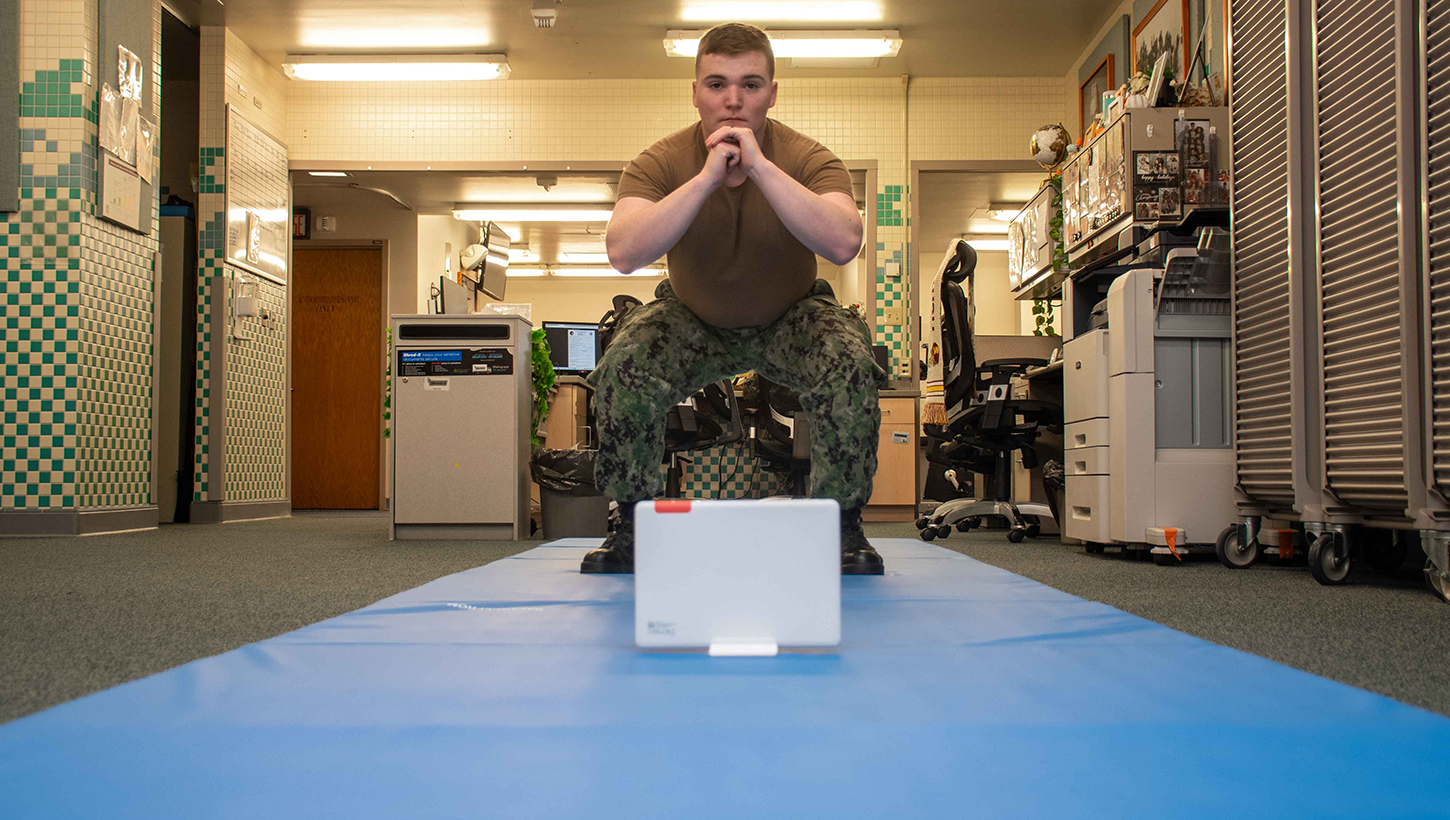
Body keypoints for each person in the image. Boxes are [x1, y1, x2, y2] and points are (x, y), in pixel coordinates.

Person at [581, 22, 886, 575]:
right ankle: (632, 521)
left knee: (850, 363)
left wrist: (761, 169)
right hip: (695, 318)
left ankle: (841, 524)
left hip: (790, 317)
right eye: (717, 83)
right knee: (625, 362)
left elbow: (843, 243)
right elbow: (623, 252)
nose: (733, 99)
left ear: (772, 92)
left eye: (750, 84)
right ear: (695, 91)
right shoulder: (659, 162)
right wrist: (704, 178)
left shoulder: (807, 157)